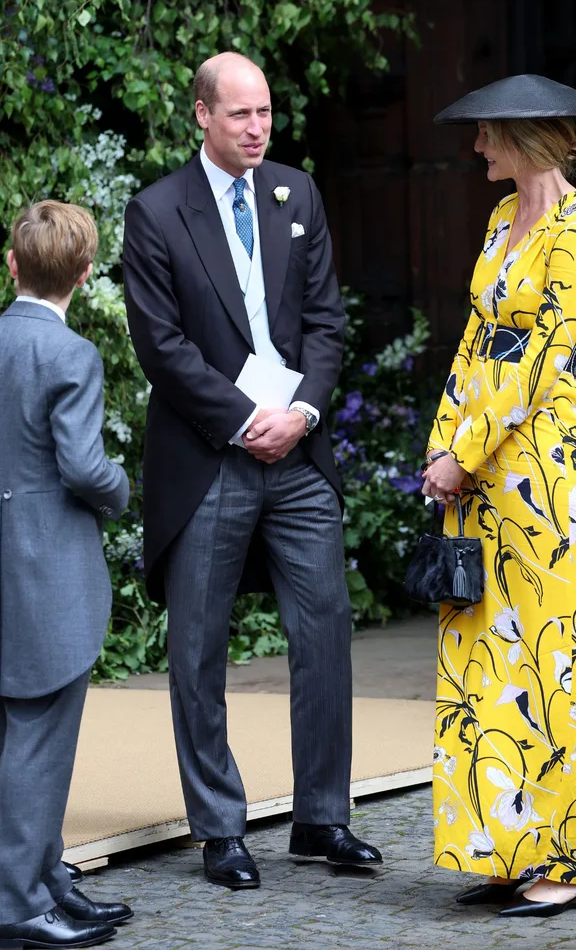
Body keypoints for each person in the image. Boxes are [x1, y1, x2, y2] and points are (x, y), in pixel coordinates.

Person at [122, 51, 382, 890]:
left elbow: (327, 322)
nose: (258, 128)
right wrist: (243, 421)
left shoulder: (295, 193)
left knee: (325, 626)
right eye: (240, 114)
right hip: (209, 456)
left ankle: (322, 818)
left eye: (265, 112)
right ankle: (219, 828)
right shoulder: (157, 212)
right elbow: (161, 347)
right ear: (201, 114)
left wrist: (299, 412)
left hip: (298, 452)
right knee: (197, 647)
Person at [423, 75, 576, 919]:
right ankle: (509, 847)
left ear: (524, 138)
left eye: (487, 134)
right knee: (491, 656)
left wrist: (469, 452)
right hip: (479, 477)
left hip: (544, 476)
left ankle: (564, 858)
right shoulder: (496, 224)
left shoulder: (572, 230)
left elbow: (540, 359)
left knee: (549, 660)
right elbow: (476, 342)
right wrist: (442, 445)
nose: (478, 147)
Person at [0, 201, 132, 947]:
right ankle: (19, 905)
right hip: (47, 571)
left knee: (14, 738)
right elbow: (83, 467)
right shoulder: (71, 355)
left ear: (12, 264)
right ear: (85, 274)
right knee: (40, 743)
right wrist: (119, 487)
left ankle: (47, 880)